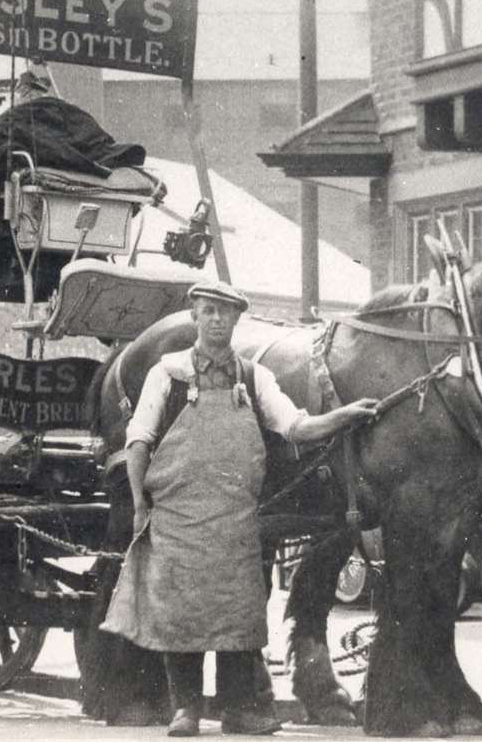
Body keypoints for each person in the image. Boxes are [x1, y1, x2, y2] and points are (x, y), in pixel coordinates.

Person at [100, 280, 379, 737]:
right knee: (183, 610)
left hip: (235, 515)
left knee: (238, 609)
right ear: (195, 315)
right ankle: (185, 709)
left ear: (235, 320)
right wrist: (137, 504)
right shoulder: (167, 374)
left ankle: (240, 709)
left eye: (224, 313)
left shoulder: (253, 377)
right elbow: (139, 440)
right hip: (178, 513)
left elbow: (295, 426)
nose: (215, 320)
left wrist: (345, 416)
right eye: (208, 311)